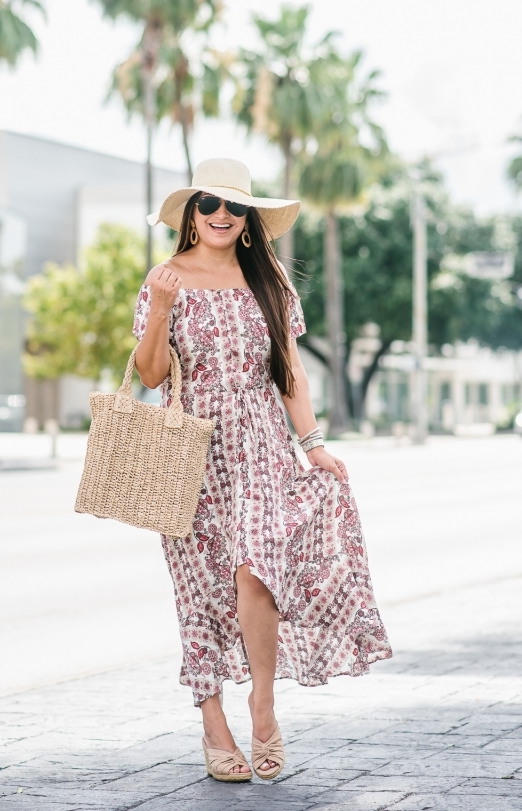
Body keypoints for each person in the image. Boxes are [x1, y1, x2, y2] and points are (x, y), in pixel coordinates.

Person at [133, 158, 392, 783]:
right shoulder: (164, 278)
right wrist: (164, 307)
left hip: (262, 445)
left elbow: (291, 373)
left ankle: (264, 705)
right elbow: (149, 375)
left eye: (236, 208)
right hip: (190, 451)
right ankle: (213, 724)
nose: (222, 216)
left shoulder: (270, 284)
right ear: (191, 214)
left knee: (258, 570)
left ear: (249, 221)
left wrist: (314, 444)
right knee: (199, 591)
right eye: (209, 205)